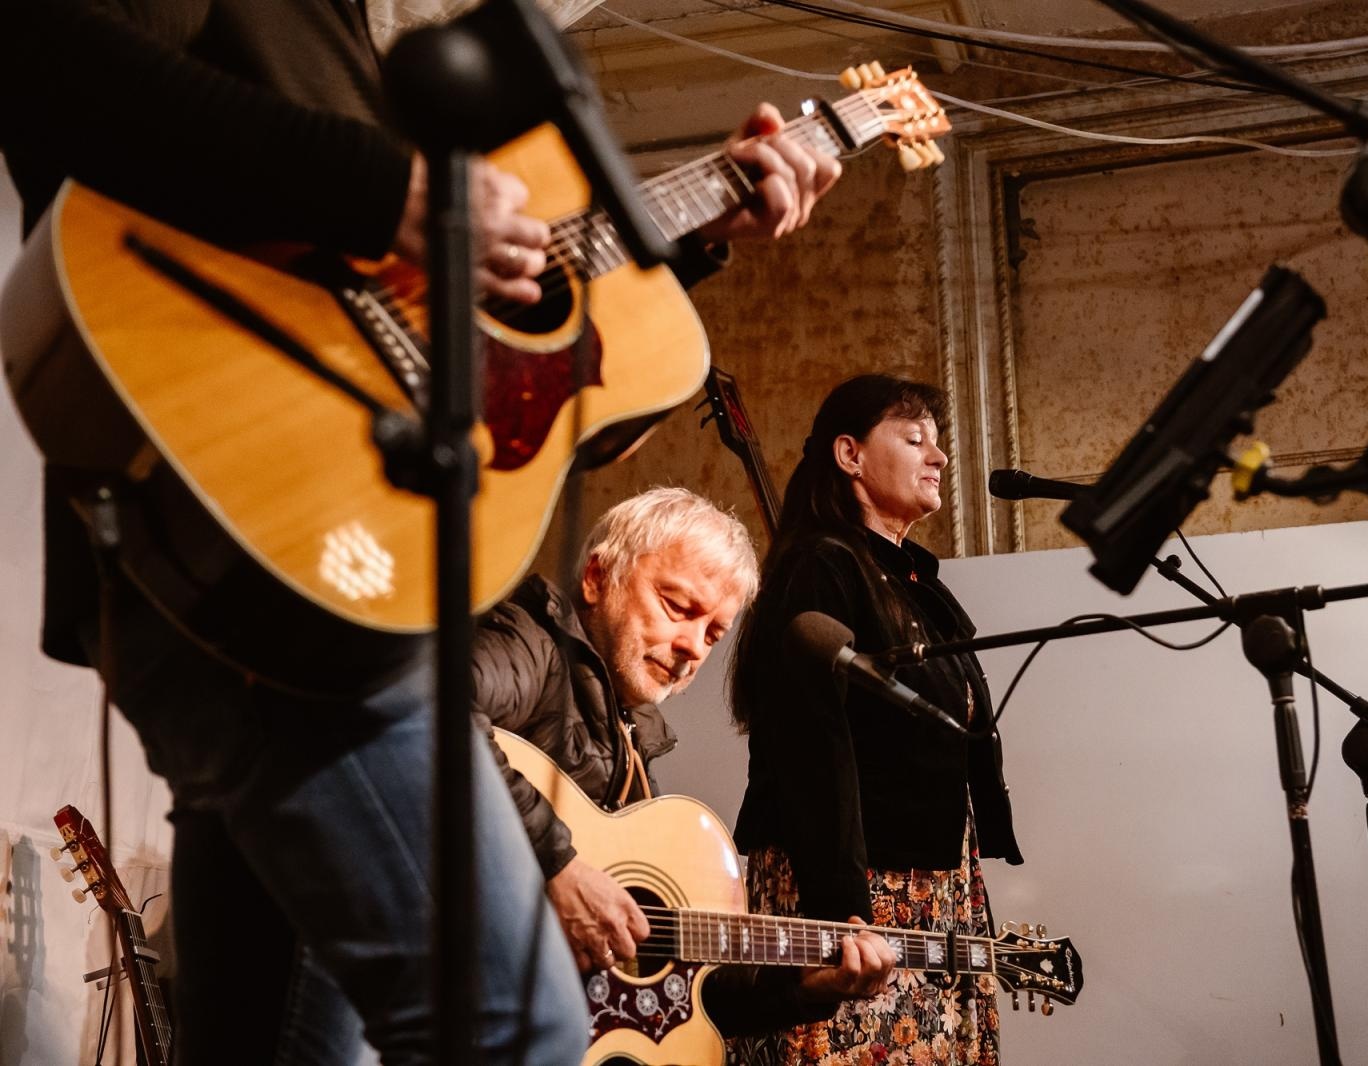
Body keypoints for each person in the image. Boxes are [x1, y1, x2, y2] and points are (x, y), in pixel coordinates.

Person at [0, 2, 839, 1062]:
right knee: (506, 1018)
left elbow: (531, 401)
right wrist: (388, 190)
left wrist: (695, 235)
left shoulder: (357, 40)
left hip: (320, 552)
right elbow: (40, 52)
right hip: (273, 541)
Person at [472, 487, 898, 1046]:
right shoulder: (531, 643)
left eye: (714, 633)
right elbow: (426, 709)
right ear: (598, 578)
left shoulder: (632, 747)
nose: (695, 647)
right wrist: (561, 867)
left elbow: (672, 997)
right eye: (678, 607)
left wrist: (806, 989)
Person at [725, 375, 1025, 1066]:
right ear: (850, 455)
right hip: (856, 891)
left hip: (933, 887)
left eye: (940, 444)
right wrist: (842, 912)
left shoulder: (919, 585)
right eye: (915, 437)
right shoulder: (820, 566)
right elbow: (809, 743)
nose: (939, 457)